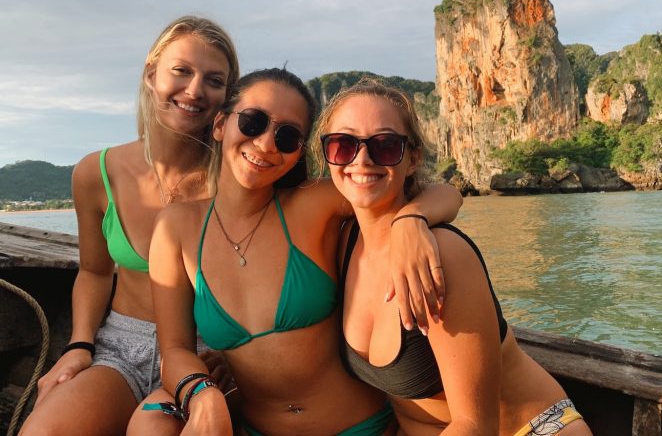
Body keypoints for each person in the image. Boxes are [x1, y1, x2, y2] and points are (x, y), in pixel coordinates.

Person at [144, 68, 462, 436]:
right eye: (252, 122)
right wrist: (203, 393)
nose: (266, 144)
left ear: (298, 153)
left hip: (359, 427)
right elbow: (175, 351)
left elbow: (443, 193)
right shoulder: (176, 228)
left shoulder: (314, 204)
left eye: (287, 136)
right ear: (219, 125)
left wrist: (411, 220)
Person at [316, 79, 594, 436]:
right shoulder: (343, 242)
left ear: (413, 158)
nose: (362, 158)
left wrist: (412, 219)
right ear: (326, 154)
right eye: (343, 144)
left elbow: (475, 425)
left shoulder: (442, 254)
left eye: (385, 146)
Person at [19, 16, 240, 436]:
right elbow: (95, 271)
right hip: (120, 348)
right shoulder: (96, 172)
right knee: (41, 430)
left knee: (152, 431)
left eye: (214, 80)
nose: (194, 90)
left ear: (227, 95)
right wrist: (79, 345)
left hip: (204, 355)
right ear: (150, 73)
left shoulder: (237, 177)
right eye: (182, 71)